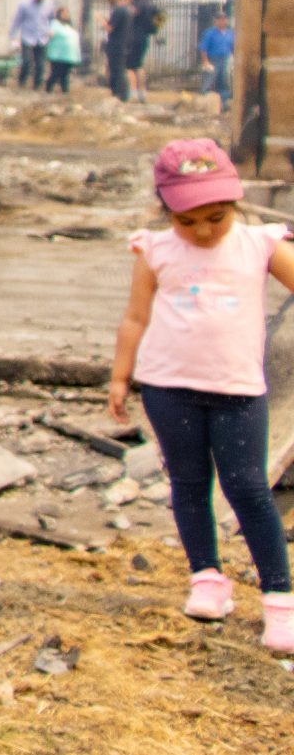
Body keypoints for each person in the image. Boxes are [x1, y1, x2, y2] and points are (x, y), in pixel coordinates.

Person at [107, 139, 294, 653]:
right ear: (167, 211)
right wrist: (121, 376)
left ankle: (280, 601)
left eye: (216, 217)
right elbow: (136, 316)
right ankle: (207, 579)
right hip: (170, 390)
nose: (204, 231)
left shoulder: (259, 244)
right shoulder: (155, 249)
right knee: (188, 484)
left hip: (237, 393)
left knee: (248, 489)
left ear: (233, 204)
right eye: (187, 221)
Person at [125, 0, 163, 103]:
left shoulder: (136, 5)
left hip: (131, 38)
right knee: (139, 66)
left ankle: (133, 92)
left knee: (129, 66)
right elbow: (156, 24)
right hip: (144, 38)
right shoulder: (153, 6)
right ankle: (142, 93)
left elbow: (129, 15)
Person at [9, 0, 53, 90]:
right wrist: (12, 36)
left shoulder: (49, 4)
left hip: (42, 38)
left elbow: (51, 19)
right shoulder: (25, 4)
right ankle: (21, 82)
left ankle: (36, 86)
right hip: (27, 37)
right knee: (27, 62)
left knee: (40, 65)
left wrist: (50, 30)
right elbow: (17, 20)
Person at [103, 0, 136, 101]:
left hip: (116, 44)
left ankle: (119, 94)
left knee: (116, 70)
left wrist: (101, 21)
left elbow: (110, 28)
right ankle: (123, 94)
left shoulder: (118, 10)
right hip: (124, 43)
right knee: (121, 69)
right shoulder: (127, 9)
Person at [201, 9, 234, 109]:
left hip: (226, 59)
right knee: (210, 79)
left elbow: (234, 47)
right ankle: (205, 102)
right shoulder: (210, 33)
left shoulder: (230, 33)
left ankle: (223, 104)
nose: (222, 21)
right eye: (219, 20)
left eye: (224, 19)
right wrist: (206, 61)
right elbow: (203, 48)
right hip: (213, 59)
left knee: (224, 81)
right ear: (215, 21)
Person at [44, 6, 80, 94]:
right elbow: (50, 34)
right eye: (63, 13)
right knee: (56, 73)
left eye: (67, 13)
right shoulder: (54, 24)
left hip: (68, 55)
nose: (66, 15)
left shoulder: (69, 26)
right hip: (58, 55)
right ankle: (48, 89)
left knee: (65, 75)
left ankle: (65, 91)